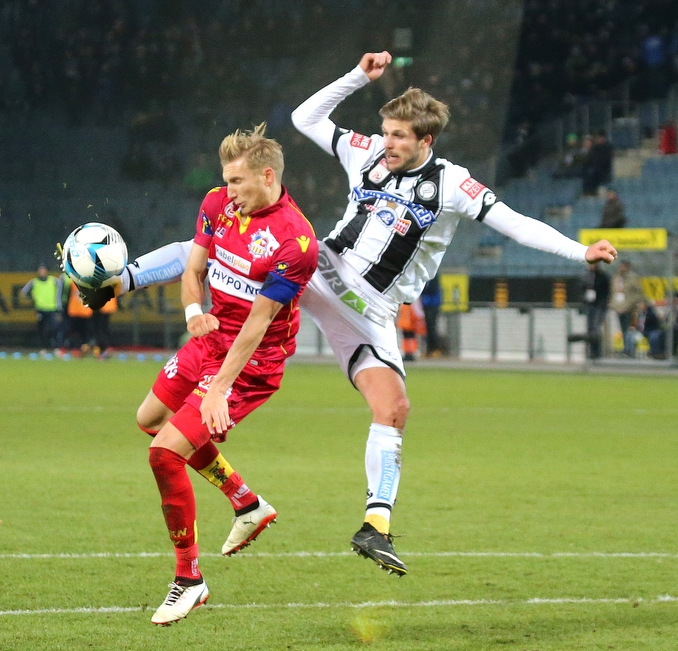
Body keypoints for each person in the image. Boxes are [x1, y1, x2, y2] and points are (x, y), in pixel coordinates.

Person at [78, 52, 618, 578]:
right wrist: (357, 77)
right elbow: (305, 118)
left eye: (400, 137)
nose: (387, 144)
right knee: (216, 245)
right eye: (385, 133)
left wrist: (579, 251)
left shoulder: (453, 183)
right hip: (321, 271)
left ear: (425, 141)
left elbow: (517, 223)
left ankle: (374, 526)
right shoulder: (365, 153)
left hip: (373, 312)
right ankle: (120, 280)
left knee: (394, 408)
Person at [138, 124, 318, 625]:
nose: (228, 191)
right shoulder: (218, 203)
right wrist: (194, 311)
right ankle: (246, 501)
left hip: (250, 364)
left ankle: (189, 579)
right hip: (210, 339)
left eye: (237, 181)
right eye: (225, 180)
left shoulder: (295, 242)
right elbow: (193, 270)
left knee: (163, 455)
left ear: (267, 176)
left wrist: (218, 389)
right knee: (150, 419)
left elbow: (258, 326)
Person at [20, 263, 62, 351]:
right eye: (40, 270)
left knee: (54, 329)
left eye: (43, 270)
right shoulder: (34, 282)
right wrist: (32, 300)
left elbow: (62, 289)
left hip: (52, 308)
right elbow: (23, 292)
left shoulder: (53, 280)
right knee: (42, 330)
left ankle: (56, 348)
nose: (42, 272)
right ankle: (43, 348)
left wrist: (59, 305)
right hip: (40, 309)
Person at [609, 260, 642, 356]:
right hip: (619, 307)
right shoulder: (616, 277)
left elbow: (638, 293)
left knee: (630, 329)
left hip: (630, 308)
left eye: (623, 267)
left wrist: (632, 304)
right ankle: (625, 348)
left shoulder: (633, 278)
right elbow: (613, 291)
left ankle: (629, 350)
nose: (621, 269)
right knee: (623, 329)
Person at [582, 261, 611, 359]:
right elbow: (581, 289)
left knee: (596, 328)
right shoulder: (586, 276)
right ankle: (590, 350)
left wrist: (603, 302)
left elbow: (606, 291)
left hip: (599, 305)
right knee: (590, 329)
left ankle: (597, 351)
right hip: (590, 305)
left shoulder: (603, 277)